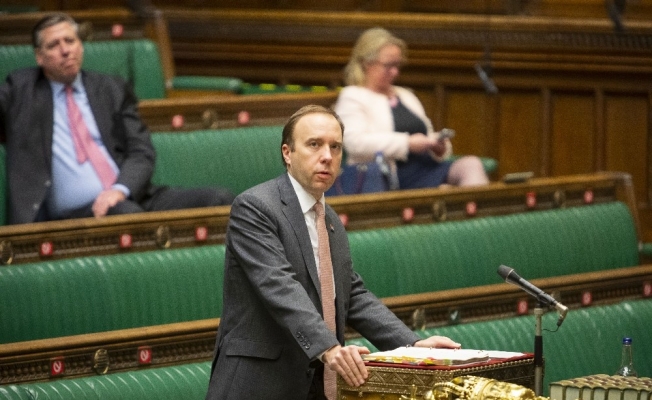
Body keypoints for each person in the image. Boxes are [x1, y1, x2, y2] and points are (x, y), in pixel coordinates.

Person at [205, 105, 461, 400]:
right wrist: (328, 348)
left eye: (335, 147)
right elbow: (279, 286)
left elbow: (351, 294)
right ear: (287, 153)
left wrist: (412, 346)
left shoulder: (329, 219)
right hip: (257, 384)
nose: (327, 156)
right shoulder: (255, 208)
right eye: (314, 144)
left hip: (313, 385)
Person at [0, 13, 234, 225]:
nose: (65, 50)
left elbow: (141, 151)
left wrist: (121, 189)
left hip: (131, 195)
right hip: (77, 216)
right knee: (126, 214)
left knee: (220, 200)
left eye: (70, 41)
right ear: (39, 57)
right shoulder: (21, 89)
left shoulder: (110, 88)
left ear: (80, 45)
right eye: (54, 45)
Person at [334, 27, 489, 190]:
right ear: (366, 63)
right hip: (389, 176)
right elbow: (355, 144)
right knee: (446, 191)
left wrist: (436, 145)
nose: (395, 72)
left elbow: (426, 133)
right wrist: (407, 143)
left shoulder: (405, 94)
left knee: (471, 164)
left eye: (398, 65)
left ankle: (479, 208)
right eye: (388, 65)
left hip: (427, 167)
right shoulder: (353, 96)